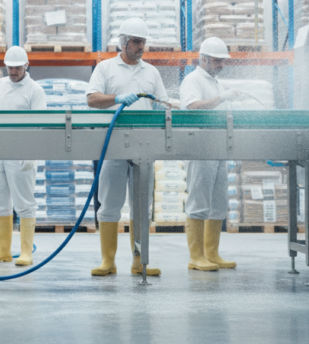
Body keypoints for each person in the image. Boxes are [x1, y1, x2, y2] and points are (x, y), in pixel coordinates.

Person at [85, 18, 168, 277]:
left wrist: (166, 105)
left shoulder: (151, 72)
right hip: (114, 145)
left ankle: (138, 261)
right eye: (136, 41)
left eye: (143, 42)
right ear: (123, 42)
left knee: (142, 205)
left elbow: (163, 105)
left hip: (144, 146)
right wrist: (116, 98)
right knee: (109, 204)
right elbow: (92, 99)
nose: (141, 46)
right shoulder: (105, 68)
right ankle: (108, 261)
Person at [0, 46, 47, 266]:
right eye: (9, 67)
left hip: (21, 153)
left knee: (25, 203)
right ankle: (3, 250)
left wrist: (31, 152)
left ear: (26, 66)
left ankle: (26, 252)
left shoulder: (34, 90)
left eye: (17, 68)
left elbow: (40, 124)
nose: (12, 72)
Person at [179, 36, 242, 271]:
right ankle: (196, 256)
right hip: (200, 147)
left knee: (218, 202)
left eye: (222, 61)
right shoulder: (193, 80)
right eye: (217, 61)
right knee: (199, 201)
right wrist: (221, 99)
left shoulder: (216, 82)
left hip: (217, 148)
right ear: (203, 59)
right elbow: (192, 107)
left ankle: (212, 253)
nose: (221, 65)